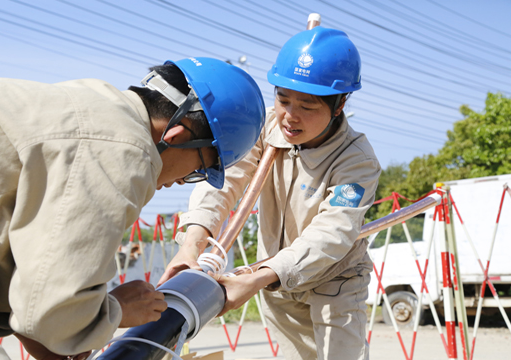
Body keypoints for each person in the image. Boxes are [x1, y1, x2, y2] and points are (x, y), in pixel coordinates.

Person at [0, 57, 265, 360]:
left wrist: (48, 328)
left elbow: (19, 267)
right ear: (177, 135)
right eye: (199, 169)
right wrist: (116, 311)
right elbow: (54, 313)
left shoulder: (95, 108)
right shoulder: (121, 150)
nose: (182, 180)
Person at [159, 27, 381, 359]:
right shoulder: (266, 130)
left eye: (307, 106)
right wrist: (192, 244)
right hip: (276, 282)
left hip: (336, 282)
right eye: (283, 99)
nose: (290, 116)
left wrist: (261, 277)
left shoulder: (357, 162)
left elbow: (331, 233)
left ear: (340, 105)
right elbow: (224, 182)